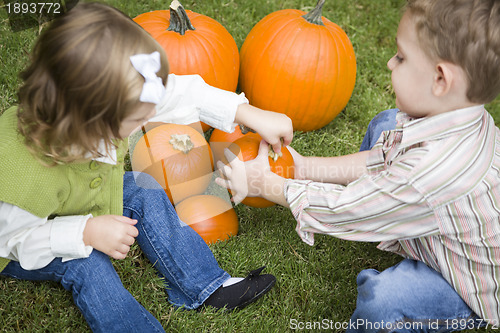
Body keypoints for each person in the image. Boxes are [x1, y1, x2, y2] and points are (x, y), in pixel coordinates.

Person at [0, 3, 293, 332]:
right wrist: (84, 232)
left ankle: (206, 286)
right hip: (26, 240)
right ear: (93, 121)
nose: (148, 119)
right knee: (87, 264)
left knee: (142, 187)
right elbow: (11, 238)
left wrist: (248, 114)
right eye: (138, 119)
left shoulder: (108, 104)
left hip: (74, 200)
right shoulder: (22, 174)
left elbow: (179, 94)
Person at [217, 0, 500, 331]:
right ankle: (397, 219)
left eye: (402, 57)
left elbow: (347, 210)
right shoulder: (459, 120)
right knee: (387, 125)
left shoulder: (431, 174)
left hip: (466, 284)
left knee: (385, 301)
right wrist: (305, 167)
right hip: (437, 216)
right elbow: (382, 159)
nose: (390, 63)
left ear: (440, 79)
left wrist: (267, 185)